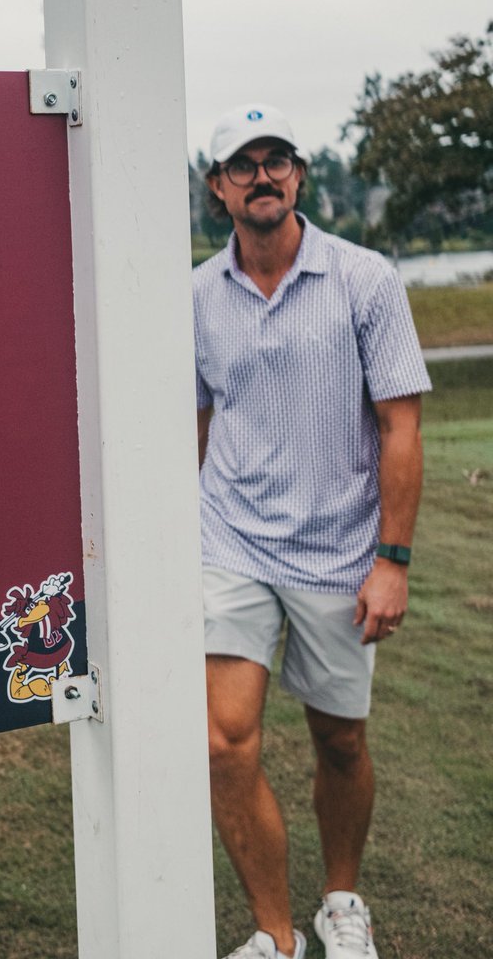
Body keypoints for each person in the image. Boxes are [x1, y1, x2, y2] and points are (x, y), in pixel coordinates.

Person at [192, 104, 431, 959]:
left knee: (339, 740)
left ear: (299, 175)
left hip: (339, 549)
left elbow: (400, 427)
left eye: (278, 159)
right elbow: (195, 421)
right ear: (217, 186)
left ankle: (340, 902)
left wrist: (392, 560)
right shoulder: (194, 296)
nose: (264, 174)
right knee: (223, 739)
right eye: (243, 162)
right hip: (231, 543)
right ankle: (276, 934)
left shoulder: (365, 279)